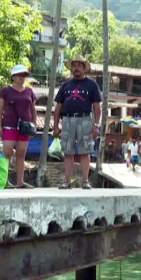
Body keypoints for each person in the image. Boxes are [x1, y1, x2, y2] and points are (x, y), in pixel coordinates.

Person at [53, 55, 101, 189]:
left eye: (79, 65)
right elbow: (58, 107)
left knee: (85, 151)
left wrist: (96, 125)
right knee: (68, 152)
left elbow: (97, 106)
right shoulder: (65, 86)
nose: (76, 68)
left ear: (84, 68)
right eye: (74, 66)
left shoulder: (92, 85)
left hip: (85, 119)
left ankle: (85, 181)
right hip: (67, 120)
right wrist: (56, 126)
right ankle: (67, 181)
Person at [0, 65, 37, 189]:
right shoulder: (5, 91)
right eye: (19, 75)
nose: (22, 78)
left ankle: (20, 182)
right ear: (13, 76)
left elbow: (33, 109)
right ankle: (5, 181)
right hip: (9, 124)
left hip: (25, 126)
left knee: (21, 153)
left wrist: (34, 124)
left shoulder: (30, 91)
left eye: (24, 75)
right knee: (8, 151)